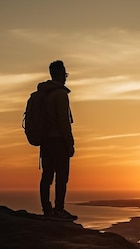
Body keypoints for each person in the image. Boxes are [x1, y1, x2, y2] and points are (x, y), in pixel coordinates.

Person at [38, 60, 78, 221]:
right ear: (60, 74)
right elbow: (63, 121)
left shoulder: (44, 93)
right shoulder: (60, 94)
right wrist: (70, 142)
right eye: (65, 74)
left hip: (45, 141)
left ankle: (47, 210)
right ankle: (59, 210)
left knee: (47, 176)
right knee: (61, 177)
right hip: (58, 141)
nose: (66, 78)